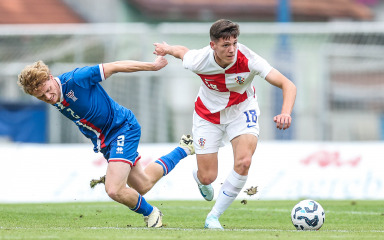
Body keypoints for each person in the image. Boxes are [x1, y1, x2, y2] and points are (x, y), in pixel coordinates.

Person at [17, 57, 195, 228]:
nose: (48, 97)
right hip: (106, 141)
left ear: (50, 78)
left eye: (48, 90)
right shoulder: (54, 96)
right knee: (142, 185)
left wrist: (152, 66)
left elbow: (115, 66)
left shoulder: (76, 79)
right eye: (40, 96)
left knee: (114, 189)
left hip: (122, 128)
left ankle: (152, 213)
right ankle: (185, 148)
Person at [153, 19, 296, 229]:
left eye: (235, 43)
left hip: (242, 110)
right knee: (208, 176)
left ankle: (213, 216)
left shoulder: (249, 59)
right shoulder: (199, 60)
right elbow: (182, 52)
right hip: (207, 116)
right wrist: (166, 48)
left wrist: (285, 112)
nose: (232, 50)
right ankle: (200, 178)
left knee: (244, 161)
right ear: (213, 46)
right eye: (225, 45)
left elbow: (288, 84)